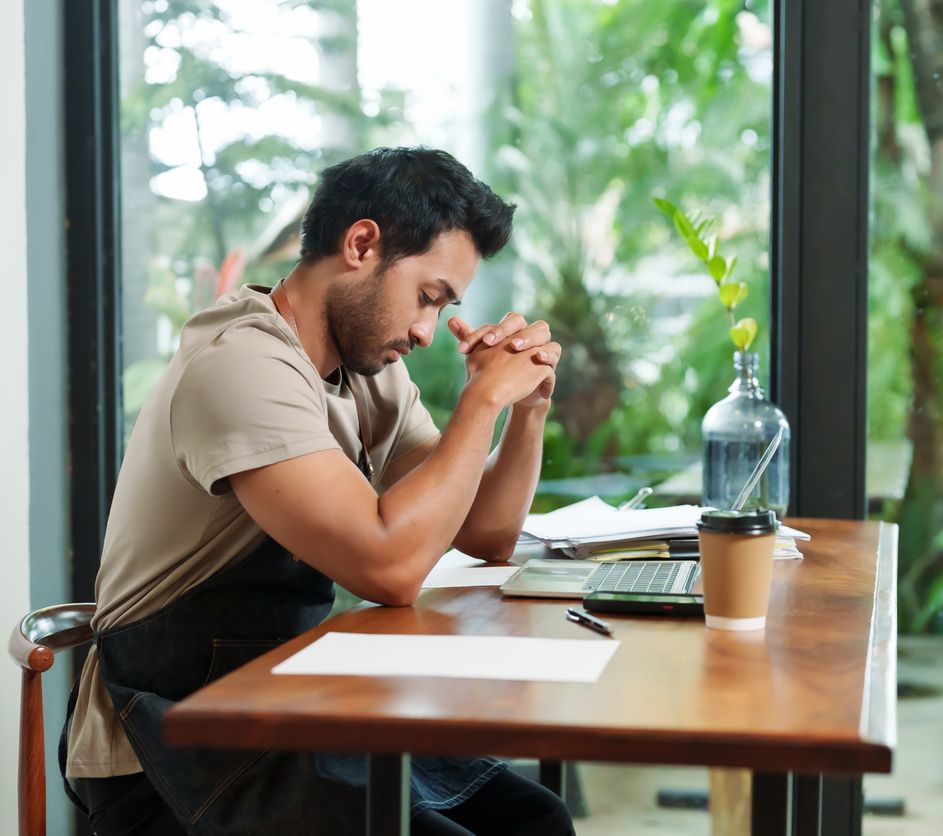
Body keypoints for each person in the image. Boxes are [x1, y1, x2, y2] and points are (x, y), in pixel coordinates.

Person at [60, 147, 573, 836]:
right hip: (170, 742)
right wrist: (481, 401)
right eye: (428, 296)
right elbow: (389, 566)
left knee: (532, 819)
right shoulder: (241, 362)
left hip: (288, 704)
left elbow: (484, 531)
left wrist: (528, 405)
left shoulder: (369, 369)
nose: (426, 331)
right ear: (362, 244)